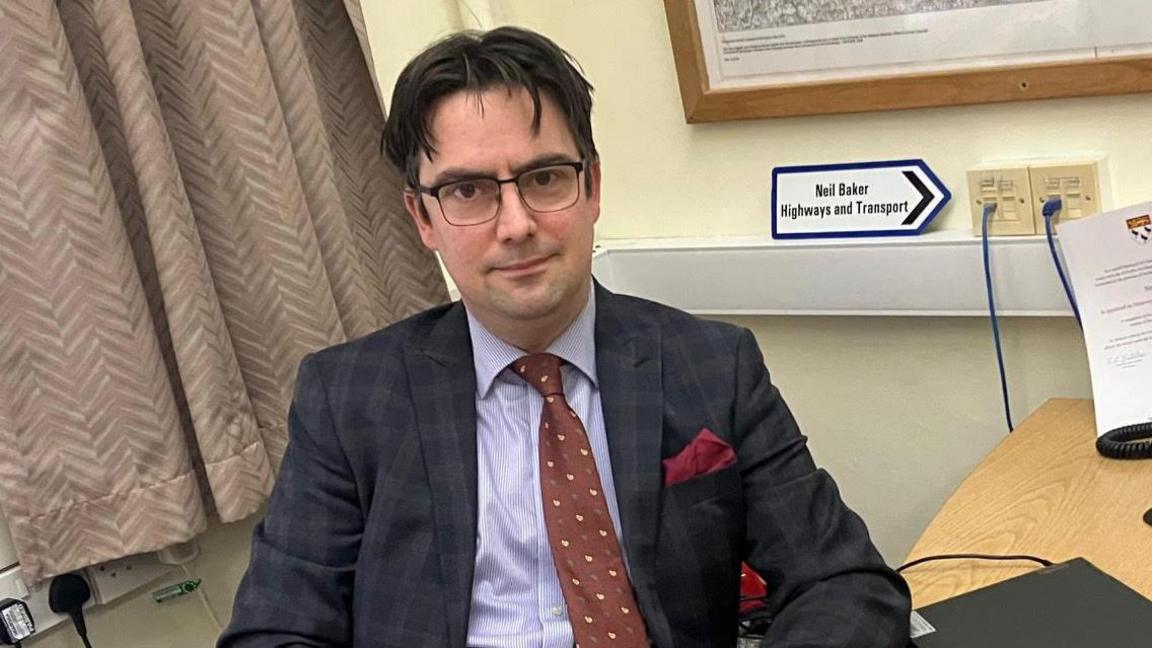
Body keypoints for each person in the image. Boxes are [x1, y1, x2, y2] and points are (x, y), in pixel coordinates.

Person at [219, 26, 910, 648]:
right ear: (422, 219)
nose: (516, 223)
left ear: (593, 186)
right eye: (468, 192)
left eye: (544, 177)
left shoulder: (712, 366)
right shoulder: (348, 399)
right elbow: (275, 632)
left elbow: (845, 583)